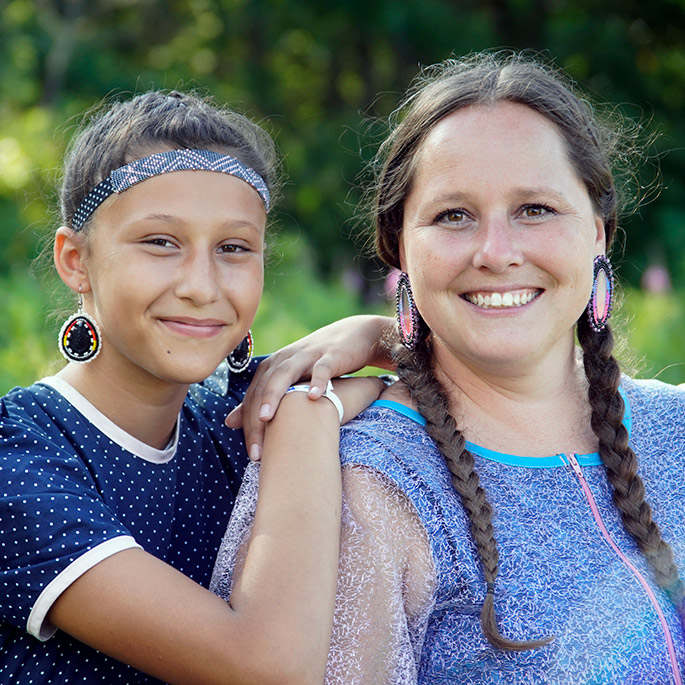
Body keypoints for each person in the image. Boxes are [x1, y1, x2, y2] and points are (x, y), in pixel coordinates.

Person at [212, 52, 685, 683]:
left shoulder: (674, 425)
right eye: (453, 215)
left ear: (597, 234)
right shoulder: (373, 486)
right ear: (401, 249)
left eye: (535, 209)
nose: (496, 252)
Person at [0, 89, 393, 684]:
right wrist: (311, 413)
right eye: (161, 242)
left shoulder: (234, 416)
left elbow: (469, 377)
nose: (202, 287)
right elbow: (268, 668)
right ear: (76, 260)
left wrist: (373, 334)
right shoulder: (21, 457)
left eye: (234, 248)